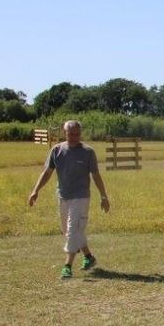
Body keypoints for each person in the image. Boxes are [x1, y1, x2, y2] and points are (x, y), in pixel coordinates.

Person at [28, 120, 110, 279]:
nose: (74, 137)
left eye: (77, 134)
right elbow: (47, 173)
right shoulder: (57, 150)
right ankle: (88, 256)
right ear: (64, 133)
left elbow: (96, 176)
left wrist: (104, 196)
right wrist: (35, 191)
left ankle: (67, 266)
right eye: (71, 134)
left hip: (81, 197)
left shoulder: (88, 152)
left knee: (73, 230)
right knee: (69, 231)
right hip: (63, 196)